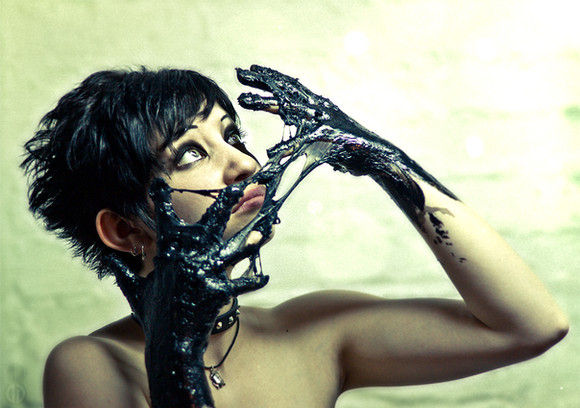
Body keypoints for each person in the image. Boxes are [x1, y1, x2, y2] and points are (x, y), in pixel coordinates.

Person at [21, 66, 568, 408]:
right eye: (190, 154)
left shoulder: (314, 332)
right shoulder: (90, 365)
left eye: (232, 135)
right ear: (123, 229)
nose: (244, 163)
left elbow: (530, 326)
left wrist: (381, 159)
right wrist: (175, 350)